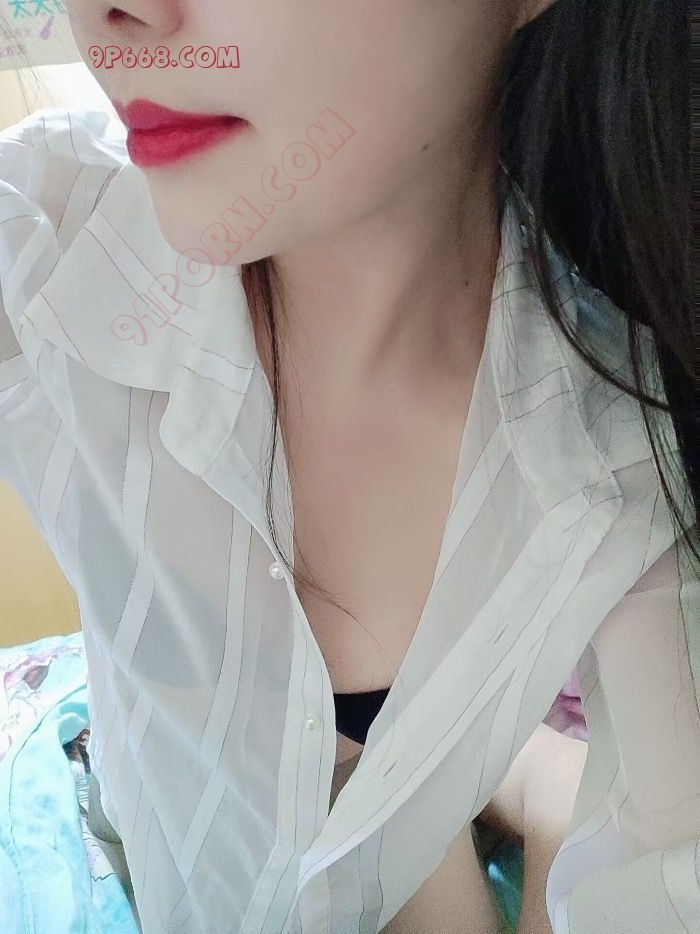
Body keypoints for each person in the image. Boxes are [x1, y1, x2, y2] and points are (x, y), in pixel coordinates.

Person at [0, 2, 696, 932]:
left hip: (408, 802)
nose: (106, 11)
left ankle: (533, 787)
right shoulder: (48, 247)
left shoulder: (630, 447)